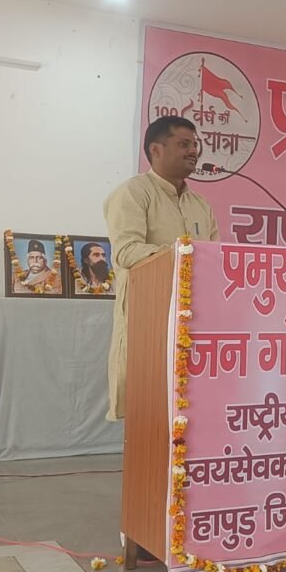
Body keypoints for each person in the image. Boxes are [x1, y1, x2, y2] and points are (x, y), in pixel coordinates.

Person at [103, 116, 220, 421]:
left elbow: (215, 259)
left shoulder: (200, 204)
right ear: (156, 149)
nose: (193, 151)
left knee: (189, 412)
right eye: (184, 144)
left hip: (195, 321)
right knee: (148, 412)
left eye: (195, 144)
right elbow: (126, 252)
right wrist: (181, 254)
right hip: (150, 316)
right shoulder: (133, 193)